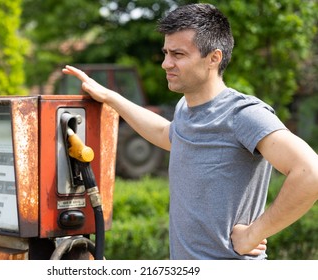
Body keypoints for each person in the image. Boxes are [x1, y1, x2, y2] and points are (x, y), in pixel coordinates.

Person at [62, 3, 318, 260]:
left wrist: (253, 233)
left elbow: (310, 172)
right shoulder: (186, 108)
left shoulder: (244, 114)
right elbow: (166, 134)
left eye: (178, 55)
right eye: (165, 52)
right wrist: (110, 98)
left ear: (214, 58)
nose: (165, 63)